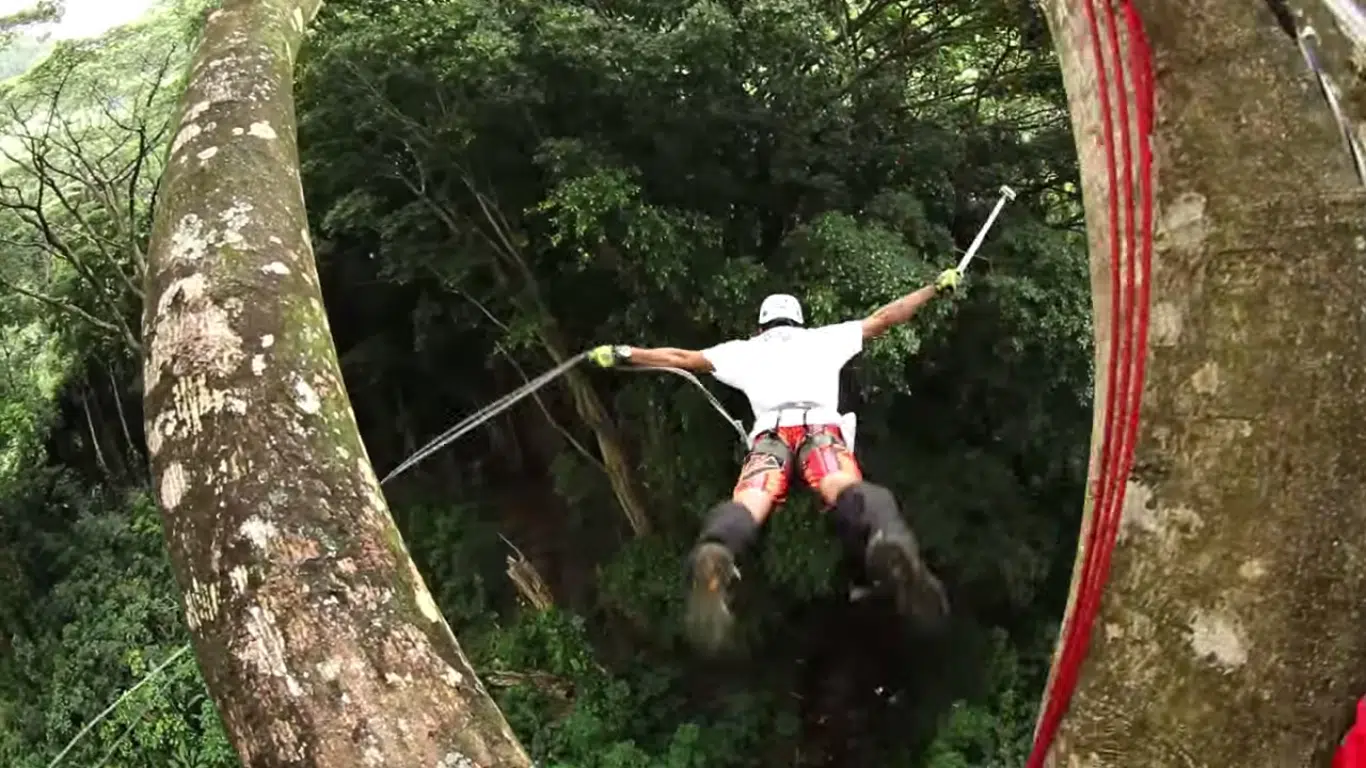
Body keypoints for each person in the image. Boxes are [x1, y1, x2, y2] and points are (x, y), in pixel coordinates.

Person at [587, 267, 962, 652]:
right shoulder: (825, 338)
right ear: (798, 320)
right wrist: (934, 289)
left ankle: (717, 549)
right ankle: (888, 536)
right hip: (819, 431)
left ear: (761, 326)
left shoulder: (744, 350)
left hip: (771, 435)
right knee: (841, 486)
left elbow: (680, 357)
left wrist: (625, 354)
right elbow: (885, 317)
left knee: (751, 499)